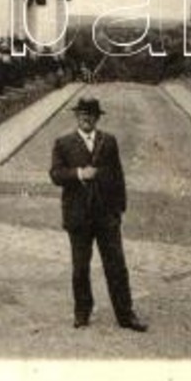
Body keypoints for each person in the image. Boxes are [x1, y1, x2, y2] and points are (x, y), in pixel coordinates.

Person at [49, 96, 146, 332]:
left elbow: (118, 176)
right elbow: (55, 174)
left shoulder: (108, 141)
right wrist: (80, 173)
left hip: (106, 216)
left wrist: (119, 209)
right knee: (80, 267)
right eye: (83, 114)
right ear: (76, 116)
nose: (87, 118)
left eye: (91, 114)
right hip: (78, 216)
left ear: (97, 118)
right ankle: (82, 312)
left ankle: (125, 315)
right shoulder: (63, 143)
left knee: (116, 266)